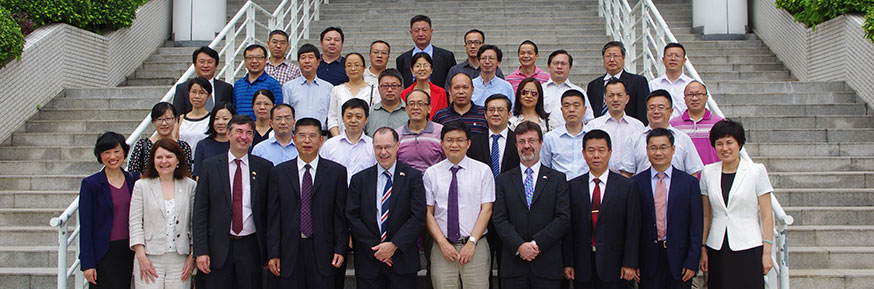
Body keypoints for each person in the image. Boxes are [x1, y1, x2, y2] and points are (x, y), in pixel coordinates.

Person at [266, 118, 349, 288]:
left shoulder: (336, 172)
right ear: (294, 139)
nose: (307, 141)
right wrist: (273, 252)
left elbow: (340, 216)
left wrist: (341, 248)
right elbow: (273, 217)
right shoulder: (278, 173)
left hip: (324, 250)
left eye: (312, 136)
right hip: (289, 250)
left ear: (321, 140)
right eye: (302, 136)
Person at [193, 115, 273, 289]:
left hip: (251, 246)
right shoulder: (210, 166)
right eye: (239, 131)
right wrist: (201, 251)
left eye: (248, 133)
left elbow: (269, 213)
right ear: (228, 134)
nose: (243, 137)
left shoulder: (264, 168)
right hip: (218, 247)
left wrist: (269, 252)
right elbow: (200, 212)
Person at [491, 121, 570, 289]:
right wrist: (519, 245)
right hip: (514, 266)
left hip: (547, 264)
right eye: (521, 141)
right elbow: (499, 218)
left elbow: (563, 218)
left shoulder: (558, 179)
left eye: (531, 140)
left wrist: (536, 244)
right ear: (516, 145)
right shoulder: (503, 180)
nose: (527, 146)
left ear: (541, 143)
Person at [346, 127, 427, 289]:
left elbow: (418, 216)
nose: (383, 152)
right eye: (378, 147)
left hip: (402, 261)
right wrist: (378, 249)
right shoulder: (359, 179)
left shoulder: (413, 177)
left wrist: (393, 245)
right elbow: (352, 216)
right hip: (369, 260)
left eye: (387, 147)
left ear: (397, 147)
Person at [700, 119, 774, 289]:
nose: (724, 148)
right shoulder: (708, 172)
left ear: (739, 144)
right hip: (717, 246)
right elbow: (707, 214)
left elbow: (766, 214)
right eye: (719, 144)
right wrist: (703, 248)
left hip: (748, 244)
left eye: (729, 143)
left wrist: (768, 252)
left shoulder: (756, 171)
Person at [563, 129, 640, 289]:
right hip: (583, 265)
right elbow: (568, 228)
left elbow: (633, 227)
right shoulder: (572, 186)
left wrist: (630, 263)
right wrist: (568, 262)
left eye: (601, 150)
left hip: (616, 266)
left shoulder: (626, 186)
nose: (596, 155)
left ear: (610, 152)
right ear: (583, 154)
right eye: (591, 151)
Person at [424, 121, 494, 289]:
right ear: (441, 144)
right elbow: (428, 213)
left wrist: (471, 242)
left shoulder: (483, 171)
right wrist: (443, 244)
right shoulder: (431, 173)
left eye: (460, 140)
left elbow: (487, 209)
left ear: (468, 143)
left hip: (475, 246)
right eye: (449, 140)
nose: (454, 144)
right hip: (442, 248)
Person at [631, 128, 702, 289]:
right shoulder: (635, 183)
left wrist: (692, 261)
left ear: (673, 149)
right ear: (647, 150)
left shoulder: (688, 183)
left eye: (663, 147)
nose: (658, 153)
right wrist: (633, 261)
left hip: (680, 261)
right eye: (653, 148)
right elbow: (632, 226)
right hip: (647, 260)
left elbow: (696, 225)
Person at [465, 94, 519, 287]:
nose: (496, 113)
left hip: (511, 214)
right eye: (491, 110)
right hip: (480, 215)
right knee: (481, 270)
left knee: (509, 269)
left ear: (509, 114)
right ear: (485, 115)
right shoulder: (474, 142)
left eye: (501, 110)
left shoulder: (518, 141)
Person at [129, 139, 197, 289]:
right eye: (159, 157)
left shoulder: (190, 185)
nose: (164, 161)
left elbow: (194, 223)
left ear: (178, 160)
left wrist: (192, 256)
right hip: (149, 257)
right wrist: (141, 256)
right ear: (153, 160)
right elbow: (135, 222)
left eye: (169, 157)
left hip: (180, 259)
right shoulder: (141, 185)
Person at [80, 132, 139, 289]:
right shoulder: (91, 184)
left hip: (129, 250)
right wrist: (87, 263)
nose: (112, 156)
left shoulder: (133, 180)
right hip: (103, 252)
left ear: (124, 153)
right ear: (100, 155)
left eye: (116, 151)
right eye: (107, 152)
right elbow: (86, 227)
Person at [619, 90, 704, 178]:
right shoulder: (635, 139)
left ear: (671, 111)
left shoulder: (683, 139)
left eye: (661, 107)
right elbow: (626, 173)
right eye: (651, 108)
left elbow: (693, 172)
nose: (656, 111)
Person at [588, 78, 645, 173]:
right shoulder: (594, 125)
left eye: (619, 95)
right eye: (611, 95)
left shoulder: (638, 126)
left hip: (631, 179)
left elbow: (641, 156)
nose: (615, 99)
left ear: (627, 99)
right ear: (605, 100)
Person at [586, 41, 650, 125]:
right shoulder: (593, 85)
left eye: (616, 56)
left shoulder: (638, 82)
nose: (612, 59)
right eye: (608, 56)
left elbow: (643, 112)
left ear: (623, 58)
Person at [320, 99, 377, 184]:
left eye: (358, 117)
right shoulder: (329, 145)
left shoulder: (373, 145)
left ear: (366, 119)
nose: (353, 120)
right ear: (342, 118)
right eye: (349, 116)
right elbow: (322, 173)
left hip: (364, 193)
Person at [129, 102, 193, 175]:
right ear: (153, 121)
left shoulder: (183, 146)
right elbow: (133, 173)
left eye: (168, 118)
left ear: (175, 120)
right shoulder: (143, 145)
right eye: (159, 119)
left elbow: (187, 173)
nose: (164, 123)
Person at [670, 81, 722, 165]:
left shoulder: (719, 123)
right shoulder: (674, 125)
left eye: (699, 94)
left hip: (712, 175)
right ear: (684, 98)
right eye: (690, 95)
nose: (694, 98)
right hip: (685, 176)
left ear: (707, 97)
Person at [283, 44, 333, 133]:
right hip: (296, 135)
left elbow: (332, 115)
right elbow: (285, 114)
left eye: (310, 57)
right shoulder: (288, 87)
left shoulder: (329, 87)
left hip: (321, 135)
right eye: (303, 58)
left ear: (318, 62)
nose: (307, 61)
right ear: (298, 62)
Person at [541, 89, 589, 180]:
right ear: (561, 110)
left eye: (576, 106)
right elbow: (545, 167)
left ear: (584, 109)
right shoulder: (550, 138)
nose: (571, 110)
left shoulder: (593, 137)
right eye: (567, 106)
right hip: (559, 189)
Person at [396, 15, 456, 88]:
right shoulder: (402, 59)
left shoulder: (446, 56)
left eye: (424, 30)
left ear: (431, 31)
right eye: (417, 30)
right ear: (411, 33)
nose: (420, 34)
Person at [328, 52, 379, 136]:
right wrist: (338, 139)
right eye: (349, 65)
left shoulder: (373, 90)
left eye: (357, 65)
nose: (353, 68)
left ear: (364, 68)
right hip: (341, 139)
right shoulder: (337, 90)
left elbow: (376, 117)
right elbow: (332, 117)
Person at [395, 89, 445, 173]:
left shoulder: (441, 132)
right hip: (406, 183)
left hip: (434, 182)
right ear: (406, 109)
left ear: (429, 108)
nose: (415, 107)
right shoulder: (396, 135)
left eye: (420, 104)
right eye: (411, 104)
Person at [174, 47, 234, 116]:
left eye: (210, 62)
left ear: (216, 65)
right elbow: (178, 116)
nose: (205, 65)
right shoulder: (182, 88)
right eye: (201, 62)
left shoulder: (226, 88)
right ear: (195, 64)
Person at [543, 50, 593, 126]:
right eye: (556, 63)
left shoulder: (578, 92)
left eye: (563, 64)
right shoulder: (540, 90)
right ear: (549, 66)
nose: (559, 67)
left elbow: (588, 119)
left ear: (570, 67)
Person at [234, 44, 283, 119]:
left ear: (265, 60)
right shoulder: (238, 85)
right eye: (250, 58)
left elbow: (277, 112)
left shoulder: (273, 84)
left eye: (258, 58)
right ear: (245, 60)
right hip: (241, 128)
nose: (254, 61)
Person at [649, 43, 693, 119]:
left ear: (684, 60)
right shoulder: (653, 85)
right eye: (669, 55)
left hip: (684, 128)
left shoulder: (691, 85)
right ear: (663, 60)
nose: (673, 58)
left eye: (677, 56)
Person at [193, 102, 236, 177]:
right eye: (216, 119)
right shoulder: (203, 145)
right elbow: (198, 175)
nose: (220, 122)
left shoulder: (238, 145)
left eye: (225, 119)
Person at [400, 52, 448, 118]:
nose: (422, 69)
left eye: (425, 65)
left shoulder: (440, 92)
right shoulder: (405, 93)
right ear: (412, 70)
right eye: (418, 66)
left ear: (431, 70)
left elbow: (444, 115)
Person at [365, 69, 410, 136]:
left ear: (401, 88)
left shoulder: (410, 112)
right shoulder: (369, 113)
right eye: (385, 86)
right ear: (379, 88)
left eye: (394, 86)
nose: (389, 89)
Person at [176, 77, 212, 157]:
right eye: (193, 92)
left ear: (208, 96)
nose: (197, 96)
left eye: (201, 93)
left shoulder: (212, 120)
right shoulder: (180, 120)